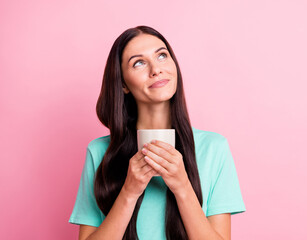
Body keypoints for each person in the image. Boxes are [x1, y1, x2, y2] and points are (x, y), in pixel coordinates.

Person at [69, 25, 246, 240]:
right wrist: (129, 191)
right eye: (139, 63)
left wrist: (182, 186)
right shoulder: (99, 152)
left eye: (162, 55)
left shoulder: (213, 148)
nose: (156, 69)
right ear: (123, 84)